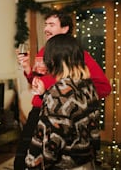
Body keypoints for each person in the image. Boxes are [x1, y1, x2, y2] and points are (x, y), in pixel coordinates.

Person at [14, 9, 111, 170]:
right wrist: (27, 69)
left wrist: (72, 100)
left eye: (51, 24)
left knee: (54, 157)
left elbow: (103, 87)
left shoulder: (78, 54)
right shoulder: (43, 52)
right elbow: (36, 83)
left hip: (64, 116)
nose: (46, 29)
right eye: (45, 24)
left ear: (65, 29)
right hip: (38, 110)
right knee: (21, 157)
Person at [25, 34, 100, 169]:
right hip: (87, 162)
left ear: (53, 60)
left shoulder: (58, 93)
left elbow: (51, 146)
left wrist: (33, 164)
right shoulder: (88, 86)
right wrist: (45, 95)